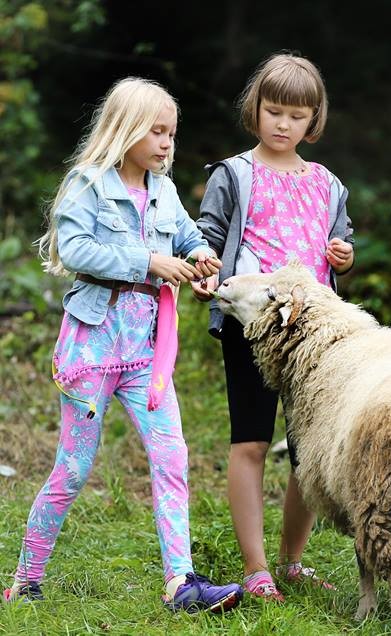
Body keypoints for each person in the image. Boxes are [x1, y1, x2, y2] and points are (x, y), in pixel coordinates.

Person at [3, 77, 243, 613]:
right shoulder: (87, 183)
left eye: (171, 133)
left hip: (144, 356)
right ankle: (26, 579)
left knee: (172, 458)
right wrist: (148, 261)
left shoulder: (163, 190)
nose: (166, 143)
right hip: (90, 351)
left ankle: (180, 582)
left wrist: (203, 259)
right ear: (125, 128)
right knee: (73, 469)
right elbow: (75, 250)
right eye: (156, 131)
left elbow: (189, 237)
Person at [192, 52, 354, 602]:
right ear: (255, 108)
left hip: (313, 338)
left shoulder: (327, 184)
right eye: (274, 111)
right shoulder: (234, 175)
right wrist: (205, 269)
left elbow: (342, 243)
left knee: (307, 454)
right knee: (252, 441)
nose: (283, 124)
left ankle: (291, 561)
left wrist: (344, 255)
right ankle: (256, 568)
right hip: (254, 329)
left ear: (313, 121)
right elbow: (207, 237)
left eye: (297, 116)